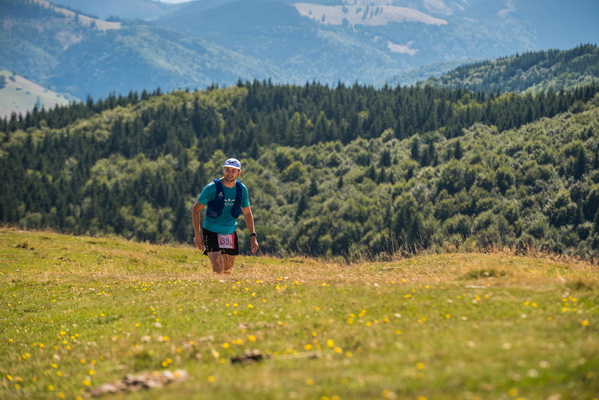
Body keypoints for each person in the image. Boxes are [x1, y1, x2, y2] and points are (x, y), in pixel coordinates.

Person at [192, 158, 259, 273]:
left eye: (233, 171)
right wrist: (197, 235)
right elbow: (195, 210)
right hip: (211, 231)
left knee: (227, 271)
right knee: (218, 270)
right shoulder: (211, 188)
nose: (230, 173)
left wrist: (253, 236)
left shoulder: (242, 189)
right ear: (223, 170)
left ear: (239, 172)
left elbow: (247, 212)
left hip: (230, 232)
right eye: (227, 169)